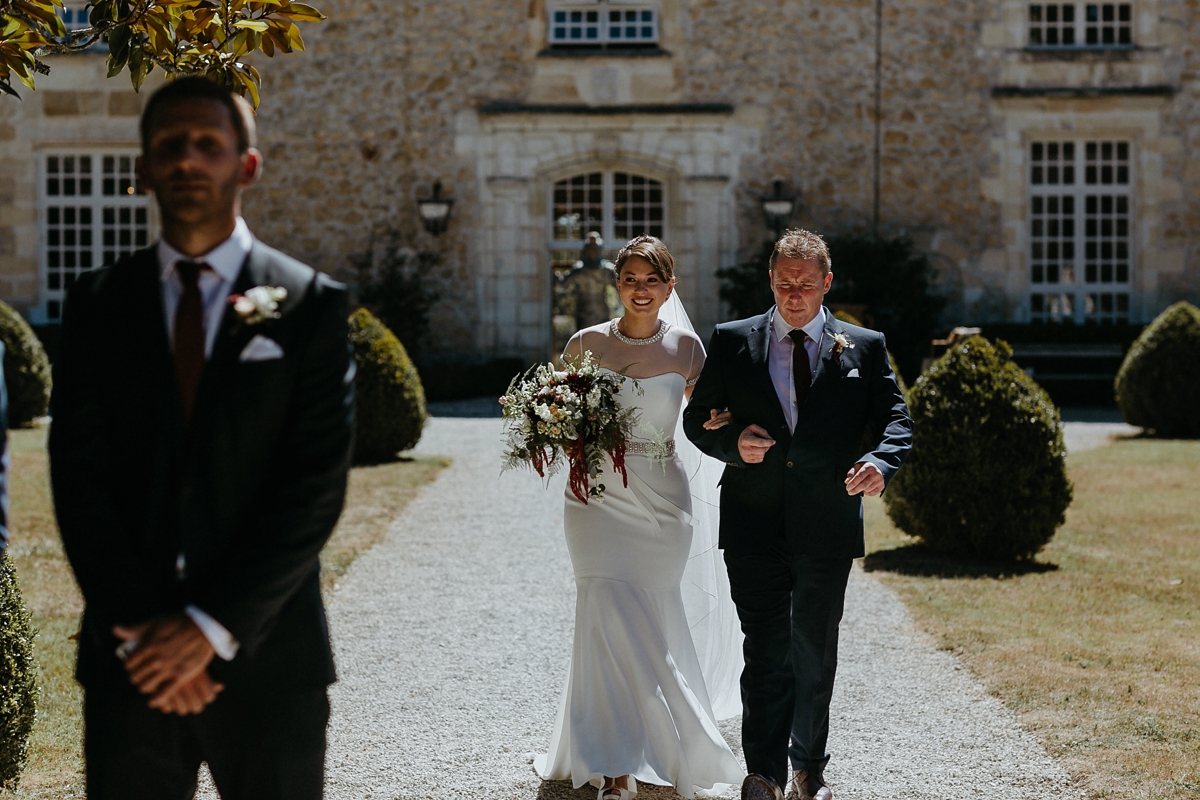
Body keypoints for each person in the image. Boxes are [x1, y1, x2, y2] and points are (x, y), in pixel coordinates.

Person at [48, 77, 355, 800]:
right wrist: (142, 631)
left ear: (246, 166)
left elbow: (313, 488)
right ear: (143, 168)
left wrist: (211, 629)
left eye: (208, 143)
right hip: (132, 663)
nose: (188, 159)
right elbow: (78, 479)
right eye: (168, 146)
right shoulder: (97, 306)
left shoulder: (309, 305)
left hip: (271, 655)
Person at [682, 229, 912, 800]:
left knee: (813, 651)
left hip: (827, 526)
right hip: (753, 527)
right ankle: (763, 773)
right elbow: (695, 422)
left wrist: (881, 463)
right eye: (784, 283)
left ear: (826, 284)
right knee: (765, 650)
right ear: (770, 280)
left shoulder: (864, 345)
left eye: (805, 285)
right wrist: (734, 444)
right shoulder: (732, 341)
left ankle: (809, 767)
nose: (794, 294)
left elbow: (896, 420)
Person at [535, 235, 745, 800]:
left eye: (652, 280)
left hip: (661, 499)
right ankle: (614, 761)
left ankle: (659, 744)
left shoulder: (689, 352)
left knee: (648, 613)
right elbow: (557, 415)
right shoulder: (583, 344)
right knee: (602, 610)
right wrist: (546, 430)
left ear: (669, 286)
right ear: (617, 284)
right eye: (630, 279)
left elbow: (707, 420)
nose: (641, 289)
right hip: (595, 498)